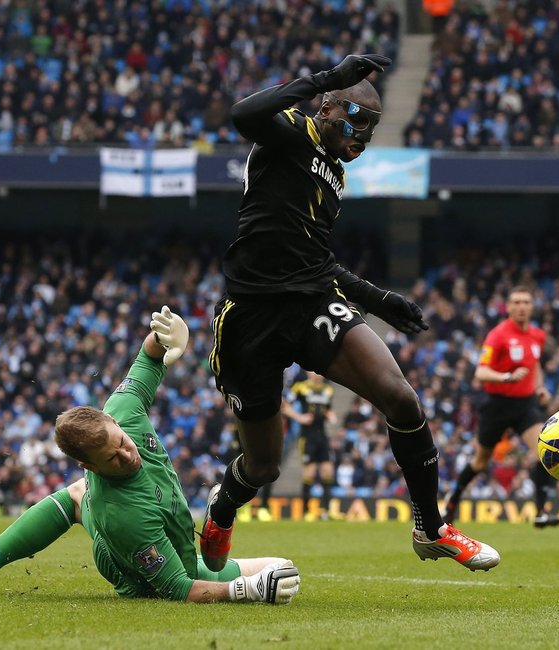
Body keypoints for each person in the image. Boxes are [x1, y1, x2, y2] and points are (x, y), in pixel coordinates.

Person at [201, 53, 499, 572]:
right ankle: (221, 510)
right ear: (329, 107)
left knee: (402, 399)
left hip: (312, 304)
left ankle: (431, 527)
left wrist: (380, 300)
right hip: (251, 317)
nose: (362, 136)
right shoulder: (290, 133)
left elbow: (317, 263)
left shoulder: (334, 177)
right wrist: (327, 78)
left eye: (372, 129)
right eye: (357, 120)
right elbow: (243, 114)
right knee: (264, 465)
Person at [0, 307, 301, 605]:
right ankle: (213, 536)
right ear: (91, 466)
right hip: (140, 573)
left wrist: (164, 337)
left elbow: (148, 357)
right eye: (113, 458)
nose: (127, 454)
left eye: (121, 441)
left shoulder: (122, 409)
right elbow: (178, 589)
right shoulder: (122, 515)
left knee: (285, 570)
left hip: (170, 539)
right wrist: (245, 591)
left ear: (113, 420)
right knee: (91, 505)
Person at [442, 286, 559, 528]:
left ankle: (540, 511)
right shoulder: (498, 335)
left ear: (532, 306)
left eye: (526, 302)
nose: (521, 307)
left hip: (525, 405)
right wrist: (507, 378)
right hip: (497, 405)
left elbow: (534, 365)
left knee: (544, 451)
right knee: (480, 462)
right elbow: (481, 371)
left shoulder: (537, 335)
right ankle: (452, 501)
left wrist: (539, 388)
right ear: (508, 306)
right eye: (516, 302)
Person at [282, 371, 337, 519]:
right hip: (307, 436)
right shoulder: (300, 387)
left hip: (322, 435)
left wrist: (330, 415)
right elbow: (285, 406)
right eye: (314, 371)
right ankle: (306, 512)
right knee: (310, 474)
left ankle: (326, 511)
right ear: (308, 372)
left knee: (328, 472)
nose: (318, 374)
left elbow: (328, 409)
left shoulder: (328, 390)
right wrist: (299, 417)